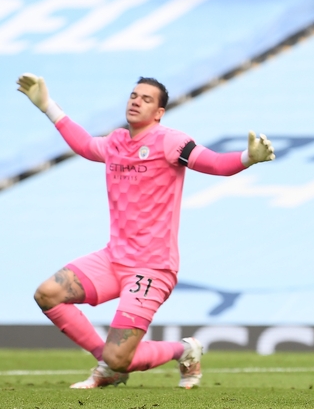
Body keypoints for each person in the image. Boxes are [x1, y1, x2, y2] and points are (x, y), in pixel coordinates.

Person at [16, 73, 276, 389]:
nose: (136, 101)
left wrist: (249, 158)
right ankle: (109, 364)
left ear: (159, 113)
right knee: (48, 294)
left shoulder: (170, 142)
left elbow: (215, 163)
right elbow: (84, 145)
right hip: (113, 259)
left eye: (146, 99)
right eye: (134, 95)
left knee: (117, 355)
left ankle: (184, 349)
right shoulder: (115, 142)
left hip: (151, 267)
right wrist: (48, 106)